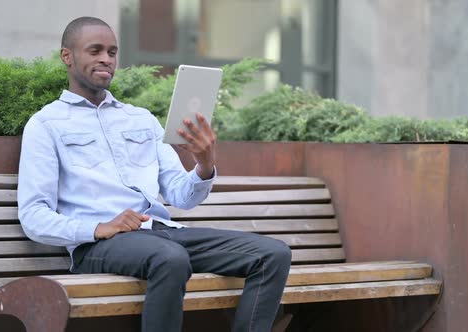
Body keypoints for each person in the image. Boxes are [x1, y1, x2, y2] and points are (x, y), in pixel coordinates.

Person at [18, 16, 291, 332]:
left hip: (162, 233)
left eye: (112, 52)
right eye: (95, 50)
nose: (106, 59)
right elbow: (34, 216)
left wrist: (203, 164)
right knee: (170, 258)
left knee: (272, 254)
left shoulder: (142, 120)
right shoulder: (46, 125)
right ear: (68, 56)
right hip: (98, 247)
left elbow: (180, 194)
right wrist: (99, 228)